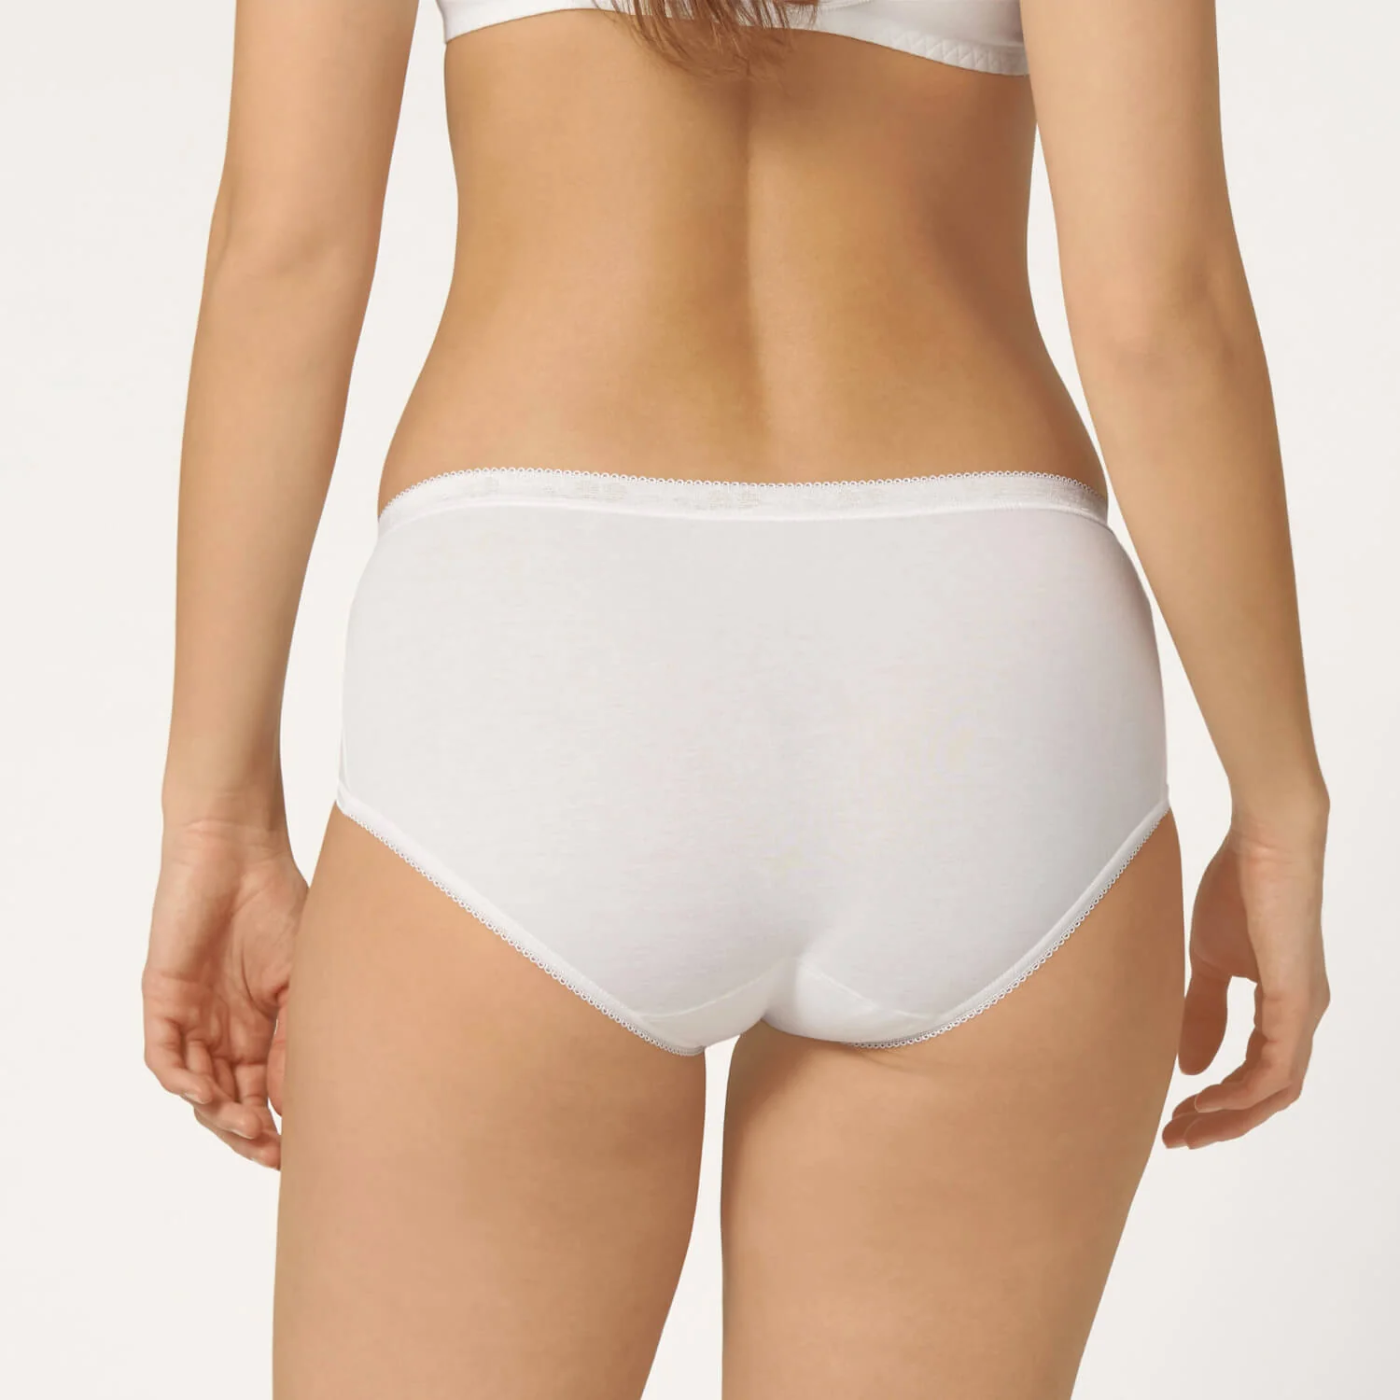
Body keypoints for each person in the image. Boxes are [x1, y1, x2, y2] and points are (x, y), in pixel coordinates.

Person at [141, 0, 1331, 1394]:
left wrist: (218, 813)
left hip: (537, 663)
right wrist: (1277, 805)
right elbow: (1160, 314)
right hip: (985, 681)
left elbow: (284, 254)